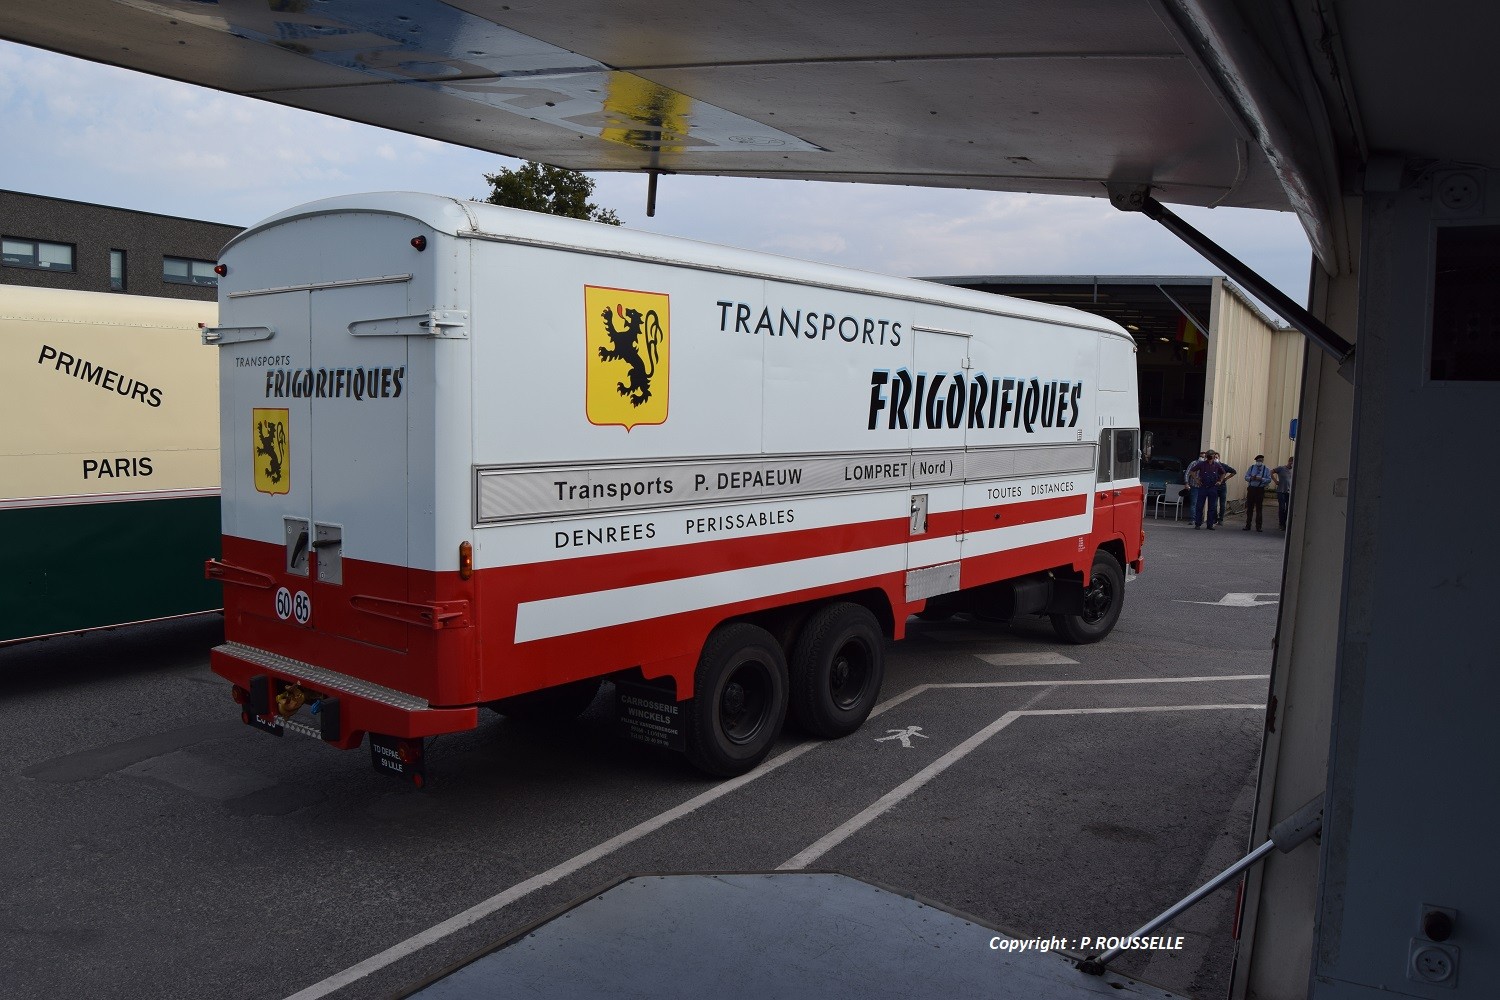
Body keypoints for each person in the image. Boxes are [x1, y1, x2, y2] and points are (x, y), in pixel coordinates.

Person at [1192, 450, 1226, 529]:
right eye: (1209, 456)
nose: (1210, 457)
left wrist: (1220, 481)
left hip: (1213, 487)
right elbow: (1192, 471)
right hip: (1203, 487)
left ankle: (1210, 524)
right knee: (1199, 506)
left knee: (1212, 507)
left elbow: (1223, 473)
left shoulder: (1217, 465)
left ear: (1214, 456)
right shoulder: (1202, 464)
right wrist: (1196, 480)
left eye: (1211, 456)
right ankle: (1198, 523)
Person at [1243, 454, 1272, 531]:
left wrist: (1261, 479)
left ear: (1263, 461)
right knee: (1250, 508)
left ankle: (1258, 526)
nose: (1259, 462)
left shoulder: (1266, 469)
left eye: (1261, 461)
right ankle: (1248, 525)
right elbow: (1246, 477)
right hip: (1251, 488)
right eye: (1258, 461)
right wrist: (1251, 478)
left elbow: (1269, 479)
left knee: (1259, 508)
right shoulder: (1252, 467)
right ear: (1256, 461)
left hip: (1260, 489)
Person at [1185, 451, 1207, 525]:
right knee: (1194, 503)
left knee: (1201, 503)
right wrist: (1186, 483)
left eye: (1204, 457)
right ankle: (1192, 519)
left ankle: (1199, 518)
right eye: (1201, 456)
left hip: (1203, 487)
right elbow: (1187, 473)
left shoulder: (1207, 465)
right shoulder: (1193, 463)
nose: (1202, 458)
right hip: (1194, 486)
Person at [1272, 456, 1295, 529]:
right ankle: (1281, 523)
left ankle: (1285, 523)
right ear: (1289, 461)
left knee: (1288, 508)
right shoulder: (1281, 468)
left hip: (1289, 492)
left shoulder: (1294, 470)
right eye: (1292, 462)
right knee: (1282, 507)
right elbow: (1271, 472)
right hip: (1281, 491)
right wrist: (1275, 481)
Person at [1215, 456, 1237, 522]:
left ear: (1219, 458)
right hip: (1214, 486)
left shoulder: (1223, 466)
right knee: (1214, 504)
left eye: (1216, 457)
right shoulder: (1212, 465)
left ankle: (1221, 519)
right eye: (1214, 457)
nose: (1215, 458)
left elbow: (1234, 471)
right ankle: (1215, 518)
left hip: (1222, 487)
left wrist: (1226, 478)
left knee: (1222, 504)